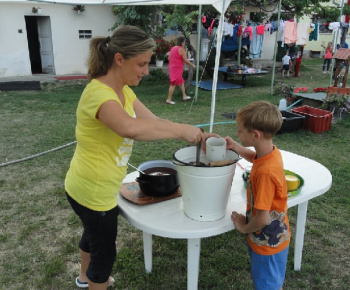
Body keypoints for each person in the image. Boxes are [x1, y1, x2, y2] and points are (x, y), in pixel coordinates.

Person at [64, 25, 205, 290]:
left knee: (91, 236)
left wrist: (187, 133)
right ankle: (92, 279)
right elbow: (130, 128)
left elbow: (152, 121)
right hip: (94, 191)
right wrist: (182, 131)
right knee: (103, 255)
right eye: (141, 64)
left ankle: (83, 279)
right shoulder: (99, 95)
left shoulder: (124, 90)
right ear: (119, 59)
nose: (146, 71)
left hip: (86, 185)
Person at [227, 101, 290, 290]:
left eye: (240, 131)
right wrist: (237, 147)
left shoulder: (265, 174)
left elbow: (262, 219)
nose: (237, 133)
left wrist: (244, 227)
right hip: (273, 238)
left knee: (266, 285)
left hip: (267, 244)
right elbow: (255, 157)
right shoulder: (270, 153)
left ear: (255, 135)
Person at [166, 36, 196, 105]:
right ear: (182, 42)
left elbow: (169, 58)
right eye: (184, 42)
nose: (185, 43)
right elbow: (185, 60)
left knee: (180, 81)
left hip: (172, 67)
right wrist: (192, 65)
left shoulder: (173, 48)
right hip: (177, 68)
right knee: (173, 83)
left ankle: (184, 96)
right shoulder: (182, 49)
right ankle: (169, 99)